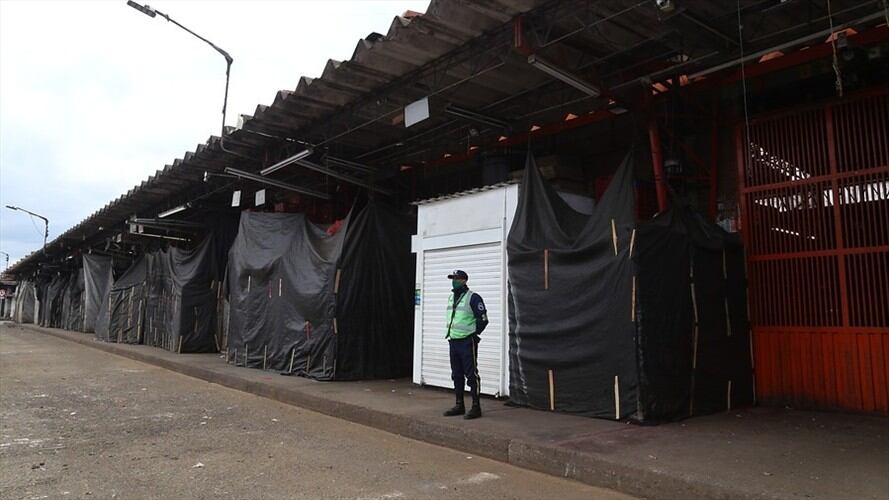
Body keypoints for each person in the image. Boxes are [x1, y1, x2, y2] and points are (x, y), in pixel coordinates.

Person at [443, 270, 488, 419]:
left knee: (471, 375)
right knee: (456, 374)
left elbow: (483, 319)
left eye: (456, 279)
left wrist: (473, 335)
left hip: (467, 342)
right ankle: (459, 404)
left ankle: (476, 407)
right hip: (453, 341)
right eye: (452, 278)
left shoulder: (473, 298)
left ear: (464, 280)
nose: (453, 281)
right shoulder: (451, 298)